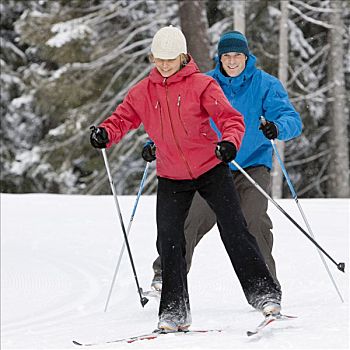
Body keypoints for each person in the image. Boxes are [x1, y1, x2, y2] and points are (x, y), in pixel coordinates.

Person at [90, 26, 281, 333]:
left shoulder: (202, 85)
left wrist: (230, 142)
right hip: (171, 176)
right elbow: (122, 118)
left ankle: (265, 294)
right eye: (159, 59)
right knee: (170, 241)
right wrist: (105, 133)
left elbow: (230, 119)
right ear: (152, 57)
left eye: (170, 59)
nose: (164, 65)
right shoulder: (143, 92)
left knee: (235, 230)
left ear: (182, 57)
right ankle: (174, 312)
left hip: (210, 169)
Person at [146, 31, 302, 292]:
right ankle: (166, 277)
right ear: (219, 58)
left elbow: (291, 119)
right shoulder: (203, 83)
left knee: (254, 219)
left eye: (237, 56)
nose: (231, 61)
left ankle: (266, 287)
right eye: (226, 56)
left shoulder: (265, 84)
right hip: (210, 166)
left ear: (246, 56)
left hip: (251, 165)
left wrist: (276, 127)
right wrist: (155, 145)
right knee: (190, 217)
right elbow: (175, 122)